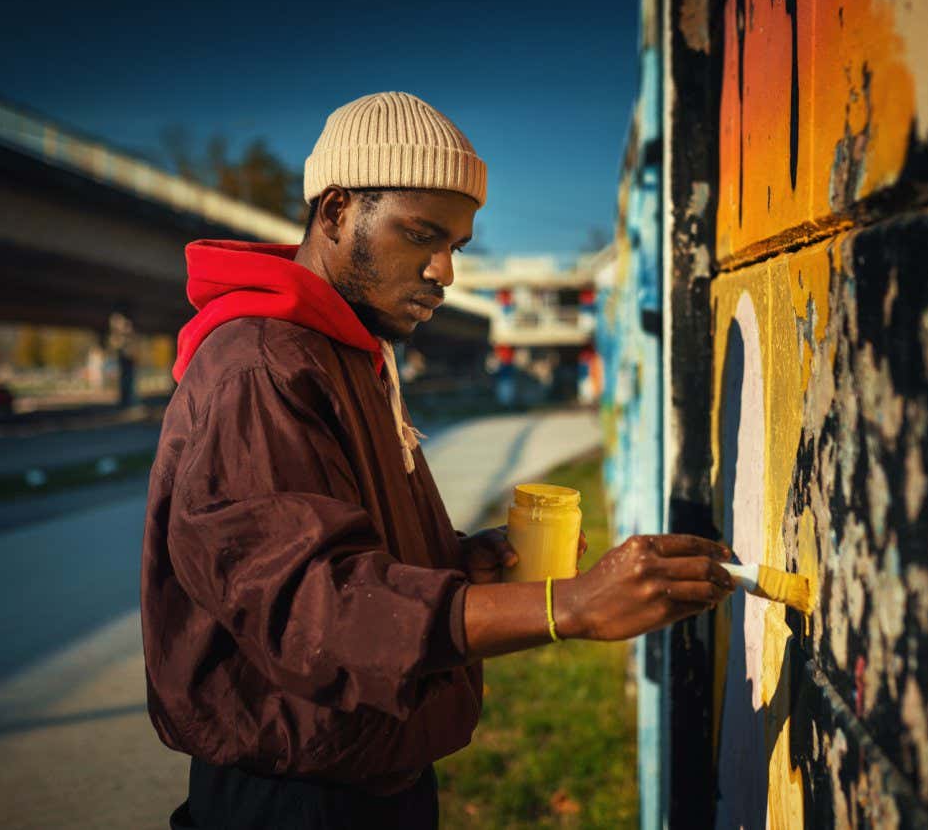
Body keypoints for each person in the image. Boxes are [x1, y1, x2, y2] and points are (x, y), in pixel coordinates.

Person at [141, 91, 736, 829]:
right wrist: (568, 608)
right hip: (295, 800)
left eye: (457, 246)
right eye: (422, 235)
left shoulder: (346, 353)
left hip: (363, 775)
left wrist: (454, 562)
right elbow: (311, 609)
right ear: (335, 212)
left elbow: (339, 554)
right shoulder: (262, 366)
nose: (445, 272)